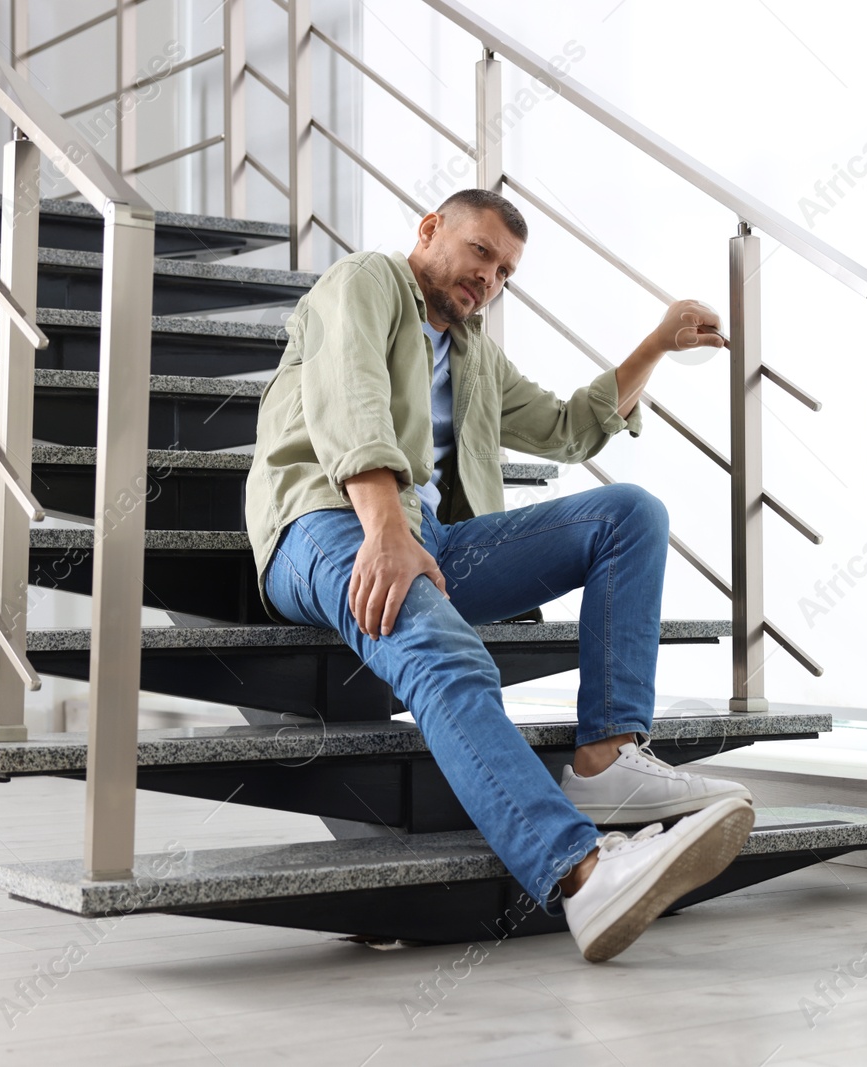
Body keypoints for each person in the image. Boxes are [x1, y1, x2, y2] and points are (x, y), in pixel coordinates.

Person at [246, 188, 754, 962]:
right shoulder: (366, 281)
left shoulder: (474, 351)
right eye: (479, 252)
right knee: (446, 653)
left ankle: (608, 756)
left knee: (630, 514)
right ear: (429, 231)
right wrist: (383, 528)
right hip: (322, 523)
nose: (489, 278)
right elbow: (348, 394)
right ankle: (583, 873)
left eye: (505, 271)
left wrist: (654, 345)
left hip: (433, 540)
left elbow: (566, 428)